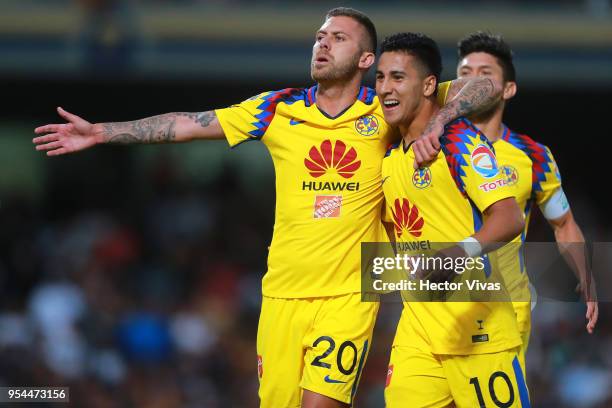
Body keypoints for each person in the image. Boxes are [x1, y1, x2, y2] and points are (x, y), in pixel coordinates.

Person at [33, 8, 503, 408]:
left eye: (338, 38)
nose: (322, 44)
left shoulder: (385, 105)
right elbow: (191, 125)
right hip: (280, 295)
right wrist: (101, 133)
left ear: (365, 59)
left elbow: (483, 86)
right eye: (320, 36)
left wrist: (439, 121)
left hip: (347, 297)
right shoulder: (277, 109)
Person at [376, 32, 529, 407]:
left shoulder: (459, 142)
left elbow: (509, 217)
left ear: (430, 85)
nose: (384, 88)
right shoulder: (388, 155)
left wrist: (456, 254)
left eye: (397, 77)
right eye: (379, 77)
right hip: (419, 331)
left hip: (479, 331)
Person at [449, 31, 598, 370]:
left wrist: (585, 275)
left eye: (485, 74)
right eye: (464, 73)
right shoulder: (428, 146)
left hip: (502, 305)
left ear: (508, 89)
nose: (471, 82)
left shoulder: (533, 156)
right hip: (433, 300)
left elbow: (563, 223)